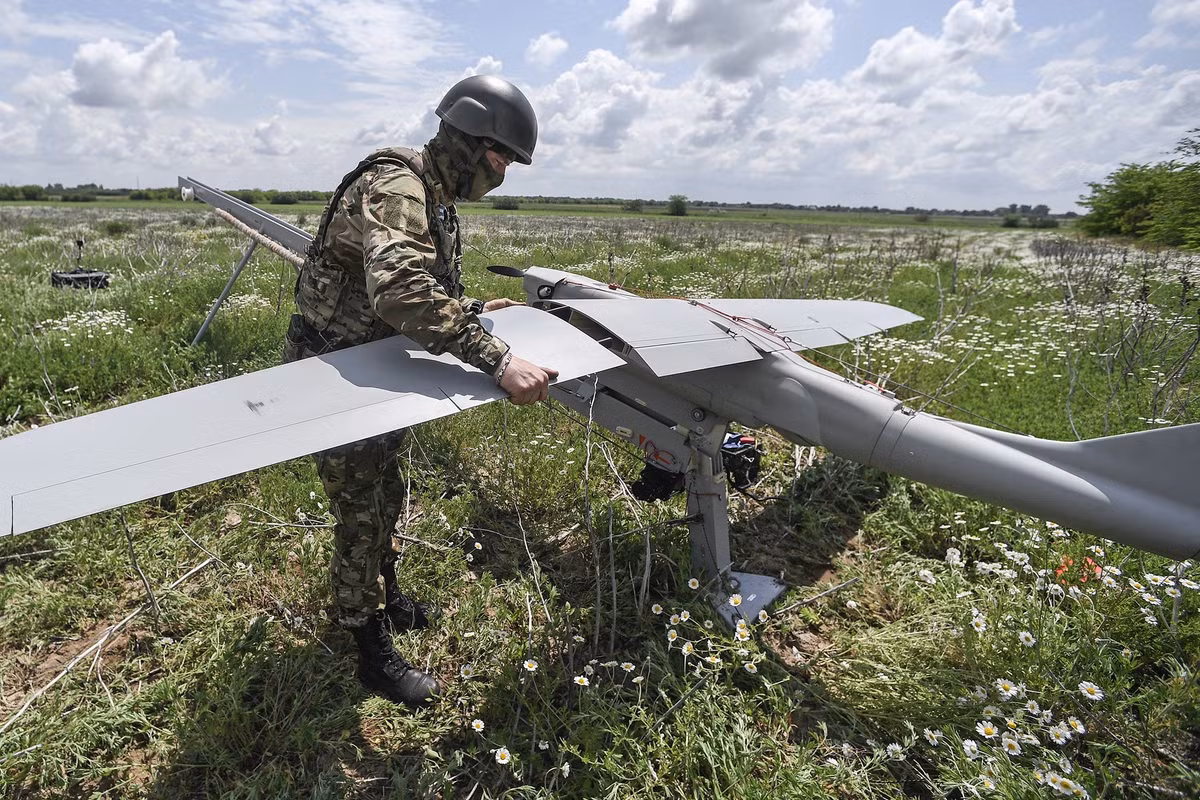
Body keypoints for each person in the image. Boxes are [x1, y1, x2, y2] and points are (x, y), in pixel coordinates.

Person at [283, 75, 558, 708]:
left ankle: (386, 593)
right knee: (361, 508)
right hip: (335, 369)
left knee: (388, 487)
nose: (503, 175)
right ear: (468, 140)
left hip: (376, 362)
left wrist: (464, 305)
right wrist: (496, 359)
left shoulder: (433, 193)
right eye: (499, 159)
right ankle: (365, 642)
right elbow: (400, 289)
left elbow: (420, 283)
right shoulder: (400, 186)